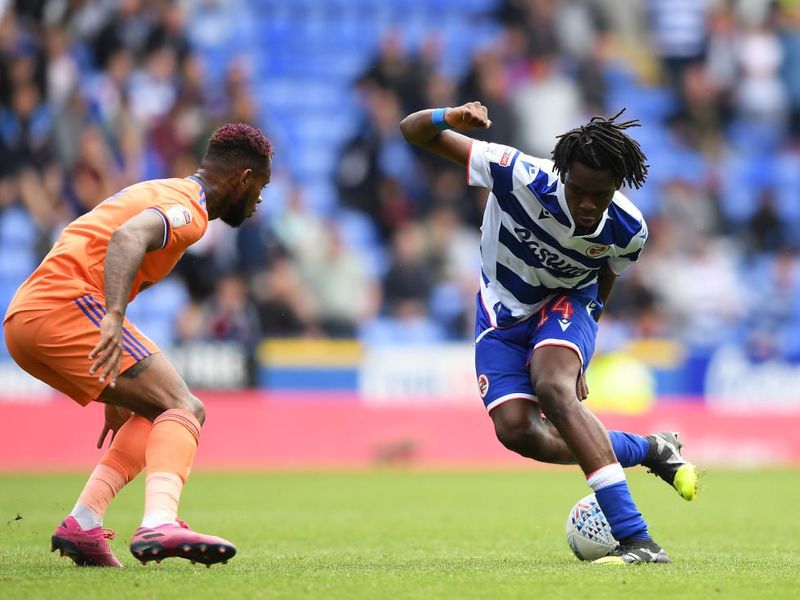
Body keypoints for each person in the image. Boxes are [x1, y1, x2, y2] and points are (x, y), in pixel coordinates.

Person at [400, 102, 698, 564]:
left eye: (598, 196)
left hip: (567, 303)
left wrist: (581, 342)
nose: (585, 204)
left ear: (615, 189)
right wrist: (449, 116)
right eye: (577, 190)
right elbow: (411, 131)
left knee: (554, 387)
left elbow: (605, 279)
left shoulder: (629, 229)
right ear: (561, 174)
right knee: (517, 431)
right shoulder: (517, 173)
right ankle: (651, 449)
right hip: (500, 311)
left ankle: (638, 539)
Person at [3, 123, 273, 567]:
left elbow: (105, 239)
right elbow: (128, 238)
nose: (259, 199)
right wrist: (111, 316)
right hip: (62, 307)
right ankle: (159, 522)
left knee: (157, 409)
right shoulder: (190, 210)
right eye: (260, 186)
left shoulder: (165, 190)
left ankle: (83, 523)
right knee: (186, 407)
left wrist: (118, 384)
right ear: (243, 179)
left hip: (28, 319)